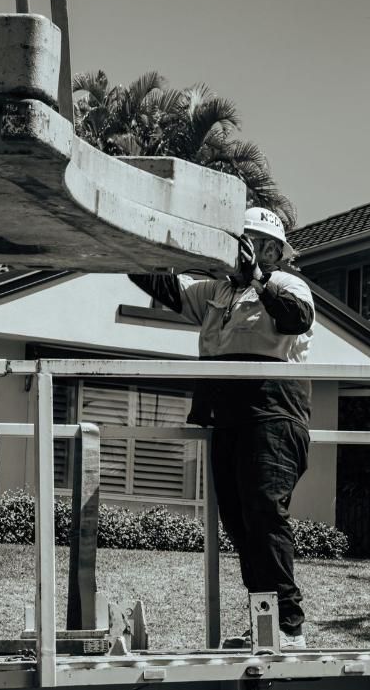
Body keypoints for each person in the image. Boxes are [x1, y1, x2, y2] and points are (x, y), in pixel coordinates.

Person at [129, 206, 314, 650]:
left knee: (264, 515)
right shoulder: (215, 291)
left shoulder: (287, 284)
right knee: (240, 524)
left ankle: (289, 628)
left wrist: (257, 279)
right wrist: (143, 239)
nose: (239, 252)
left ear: (271, 249)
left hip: (272, 416)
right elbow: (161, 285)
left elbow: (297, 318)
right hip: (227, 419)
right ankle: (265, 625)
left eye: (248, 243)